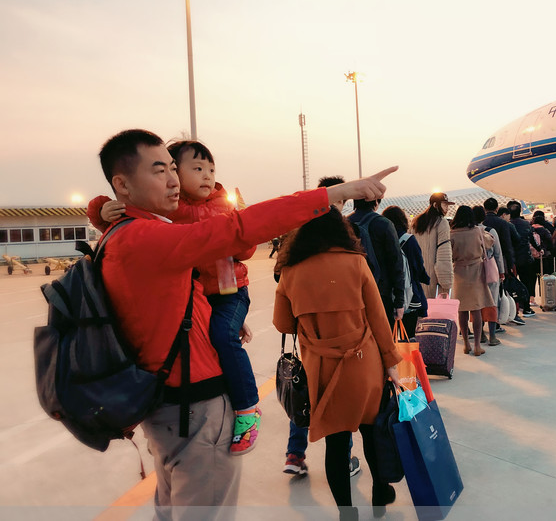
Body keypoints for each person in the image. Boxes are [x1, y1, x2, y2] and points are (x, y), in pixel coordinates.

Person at [94, 128, 395, 514]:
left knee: (172, 506)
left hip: (167, 405)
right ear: (122, 184)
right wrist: (335, 194)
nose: (173, 180)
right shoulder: (148, 237)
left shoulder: (119, 233)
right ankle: (251, 408)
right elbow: (239, 229)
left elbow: (275, 319)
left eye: (172, 168)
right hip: (195, 407)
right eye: (159, 171)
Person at [88, 139, 263, 456]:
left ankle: (248, 409)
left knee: (224, 335)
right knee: (219, 332)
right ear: (174, 173)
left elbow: (246, 249)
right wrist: (100, 210)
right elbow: (130, 211)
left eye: (211, 169)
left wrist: (235, 234)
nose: (207, 176)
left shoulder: (224, 204)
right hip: (200, 296)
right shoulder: (170, 208)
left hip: (230, 291)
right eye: (197, 169)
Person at [272, 208, 403, 521]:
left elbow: (282, 323)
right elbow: (378, 317)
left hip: (322, 369)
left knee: (336, 442)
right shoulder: (355, 262)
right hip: (364, 363)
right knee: (374, 434)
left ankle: (347, 512)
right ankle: (380, 496)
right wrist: (390, 362)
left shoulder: (291, 270)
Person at [348, 199, 405, 330]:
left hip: (352, 295)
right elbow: (396, 264)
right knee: (382, 341)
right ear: (376, 203)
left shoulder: (344, 224)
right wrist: (399, 301)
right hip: (380, 294)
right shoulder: (384, 224)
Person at [450, 205, 495, 356]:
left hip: (459, 272)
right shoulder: (477, 231)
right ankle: (477, 345)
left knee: (461, 309)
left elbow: (448, 255)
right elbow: (490, 242)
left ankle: (466, 344)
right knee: (476, 309)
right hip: (476, 270)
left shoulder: (452, 234)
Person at [381, 205, 430, 338]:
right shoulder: (408, 240)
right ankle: (408, 358)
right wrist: (426, 278)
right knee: (409, 336)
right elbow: (418, 266)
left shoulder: (382, 240)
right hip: (409, 294)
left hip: (386, 294)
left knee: (390, 336)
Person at [472, 205, 506, 344]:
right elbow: (498, 253)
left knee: (477, 303)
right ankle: (492, 336)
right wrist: (501, 271)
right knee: (492, 302)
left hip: (474, 271)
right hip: (490, 270)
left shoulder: (469, 232)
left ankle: (480, 335)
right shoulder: (490, 231)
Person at [411, 192, 454, 298]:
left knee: (421, 311)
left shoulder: (416, 222)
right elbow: (444, 254)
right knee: (435, 311)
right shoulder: (441, 222)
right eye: (444, 204)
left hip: (417, 275)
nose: (447, 208)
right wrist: (446, 282)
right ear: (435, 205)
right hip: (434, 278)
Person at [507, 200, 540, 316]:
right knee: (527, 283)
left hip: (511, 260)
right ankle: (526, 307)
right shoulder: (526, 224)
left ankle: (513, 310)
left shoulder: (507, 224)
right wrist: (538, 248)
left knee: (511, 285)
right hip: (525, 258)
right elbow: (532, 239)